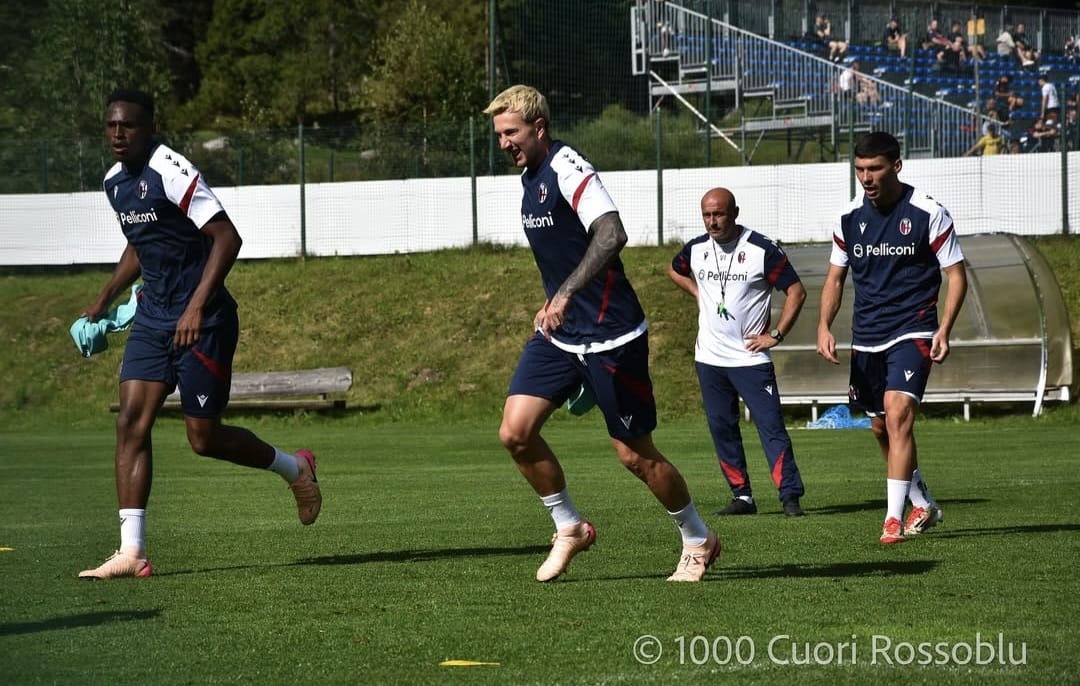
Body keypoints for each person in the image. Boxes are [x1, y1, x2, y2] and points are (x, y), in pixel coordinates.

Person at [77, 89, 322, 579]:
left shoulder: (171, 170)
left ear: (150, 127)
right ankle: (132, 552)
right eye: (110, 126)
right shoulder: (113, 184)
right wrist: (105, 297)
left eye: (128, 125)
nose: (118, 134)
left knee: (204, 439)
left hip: (203, 320)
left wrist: (194, 307)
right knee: (130, 422)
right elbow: (140, 243)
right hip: (152, 317)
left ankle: (295, 469)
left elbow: (227, 237)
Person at [484, 85, 720, 582]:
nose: (504, 143)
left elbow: (612, 234)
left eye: (511, 133)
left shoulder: (567, 166)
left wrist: (566, 294)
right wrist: (553, 299)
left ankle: (699, 537)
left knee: (634, 455)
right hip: (563, 336)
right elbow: (561, 252)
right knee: (515, 432)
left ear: (538, 128)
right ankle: (570, 527)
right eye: (499, 135)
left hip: (613, 335)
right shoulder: (530, 177)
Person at [816, 131, 967, 545]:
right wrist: (824, 325)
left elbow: (956, 275)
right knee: (880, 427)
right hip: (866, 336)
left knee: (898, 413)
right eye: (860, 169)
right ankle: (922, 503)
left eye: (875, 168)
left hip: (913, 328)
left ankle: (892, 519)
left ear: (895, 167)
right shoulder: (847, 218)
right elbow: (834, 278)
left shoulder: (926, 212)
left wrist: (945, 328)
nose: (866, 177)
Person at [668, 188, 807, 517]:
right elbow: (674, 269)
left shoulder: (762, 249)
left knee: (771, 427)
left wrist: (776, 335)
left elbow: (796, 292)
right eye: (706, 215)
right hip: (710, 359)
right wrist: (698, 294)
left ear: (735, 213)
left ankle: (789, 497)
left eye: (719, 214)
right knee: (722, 427)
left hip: (750, 359)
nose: (712, 222)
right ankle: (742, 497)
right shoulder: (697, 248)